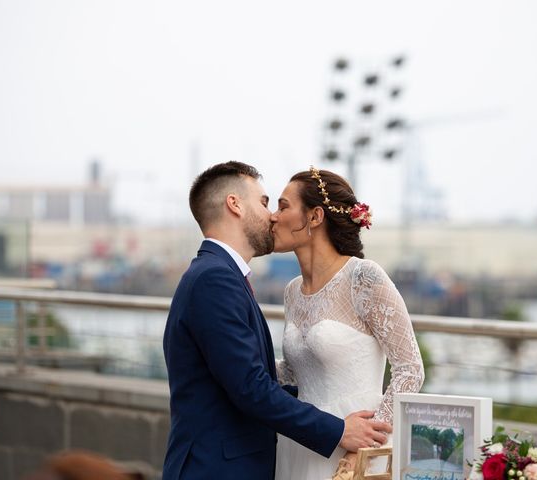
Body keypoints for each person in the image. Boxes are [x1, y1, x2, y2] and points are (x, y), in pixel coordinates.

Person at [162, 161, 392, 480]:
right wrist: (337, 430)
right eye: (265, 201)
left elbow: (245, 376)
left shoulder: (217, 275)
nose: (272, 215)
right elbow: (250, 387)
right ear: (235, 204)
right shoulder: (215, 279)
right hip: (218, 468)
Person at [271, 167, 425, 480]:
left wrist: (368, 441)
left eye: (283, 206)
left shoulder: (363, 278)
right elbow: (294, 371)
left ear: (315, 217)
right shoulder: (292, 291)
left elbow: (410, 370)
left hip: (357, 446)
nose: (273, 217)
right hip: (303, 441)